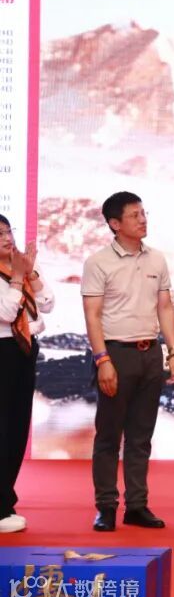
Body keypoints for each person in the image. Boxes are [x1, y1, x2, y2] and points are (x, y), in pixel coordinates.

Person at [82, 192, 174, 532]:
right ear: (115, 223)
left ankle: (137, 505)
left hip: (150, 353)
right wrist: (102, 360)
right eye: (134, 215)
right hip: (116, 354)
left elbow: (165, 307)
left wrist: (173, 351)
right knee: (109, 436)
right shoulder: (98, 262)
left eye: (143, 213)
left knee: (141, 436)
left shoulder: (157, 259)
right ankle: (106, 506)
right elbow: (92, 315)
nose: (142, 220)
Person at [0, 216, 54, 533]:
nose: (7, 238)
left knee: (18, 428)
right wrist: (18, 279)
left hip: (25, 349)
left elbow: (47, 304)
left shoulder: (20, 264)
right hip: (2, 350)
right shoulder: (12, 273)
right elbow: (7, 313)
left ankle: (6, 499)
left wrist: (30, 272)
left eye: (8, 231)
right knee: (2, 428)